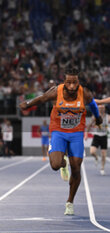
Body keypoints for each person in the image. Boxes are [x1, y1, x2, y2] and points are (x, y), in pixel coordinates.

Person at [19, 67, 102, 216]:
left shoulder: (85, 94)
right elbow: (41, 98)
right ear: (64, 81)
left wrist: (98, 118)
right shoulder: (56, 92)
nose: (71, 86)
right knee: (55, 165)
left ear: (78, 82)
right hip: (58, 131)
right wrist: (28, 103)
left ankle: (70, 202)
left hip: (76, 133)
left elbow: (94, 105)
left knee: (76, 167)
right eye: (68, 82)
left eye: (74, 83)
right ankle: (63, 163)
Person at [85, 105, 108, 175]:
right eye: (100, 108)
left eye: (102, 108)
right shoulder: (95, 116)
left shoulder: (108, 117)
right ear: (98, 109)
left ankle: (102, 168)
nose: (101, 109)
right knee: (92, 152)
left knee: (104, 154)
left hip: (104, 136)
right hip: (96, 136)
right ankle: (96, 157)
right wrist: (86, 134)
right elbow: (89, 125)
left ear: (104, 109)